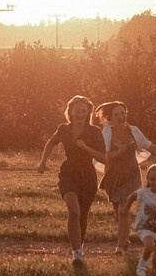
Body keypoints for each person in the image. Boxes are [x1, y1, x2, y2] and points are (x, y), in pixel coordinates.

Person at [95, 101, 156, 255]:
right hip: (113, 174)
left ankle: (120, 247)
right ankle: (125, 239)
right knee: (119, 213)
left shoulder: (133, 130)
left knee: (124, 210)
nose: (121, 116)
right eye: (117, 114)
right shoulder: (106, 132)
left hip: (131, 174)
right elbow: (103, 155)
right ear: (110, 117)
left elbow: (149, 146)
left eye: (123, 113)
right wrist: (118, 152)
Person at [37, 95, 107, 265]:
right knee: (74, 211)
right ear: (70, 112)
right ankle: (76, 253)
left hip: (88, 176)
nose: (80, 114)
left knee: (83, 216)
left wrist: (86, 148)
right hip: (68, 173)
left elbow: (104, 158)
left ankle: (79, 249)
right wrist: (43, 162)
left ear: (88, 113)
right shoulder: (64, 129)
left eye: (84, 111)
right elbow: (50, 143)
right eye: (77, 111)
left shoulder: (94, 132)